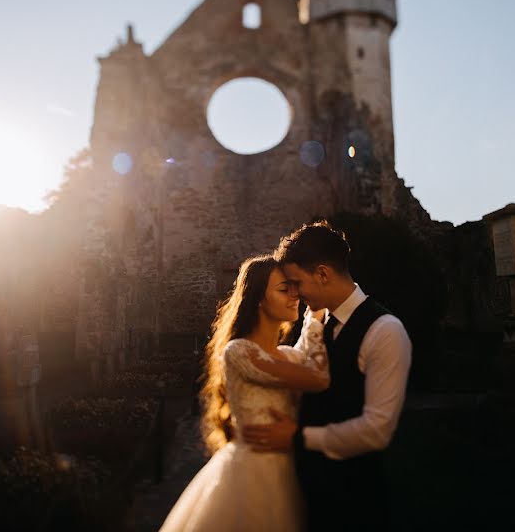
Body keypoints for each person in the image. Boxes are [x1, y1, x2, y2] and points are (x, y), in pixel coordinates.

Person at [242, 221, 412, 532]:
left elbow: (377, 430)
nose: (295, 293)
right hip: (307, 495)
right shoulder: (317, 319)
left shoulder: (385, 331)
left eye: (297, 283)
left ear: (322, 274)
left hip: (353, 502)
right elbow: (301, 367)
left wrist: (298, 436)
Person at [159, 254, 330, 532]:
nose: (295, 295)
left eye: (295, 288)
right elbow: (318, 377)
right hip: (250, 476)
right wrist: (315, 318)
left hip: (290, 473)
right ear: (259, 300)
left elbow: (305, 357)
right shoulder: (239, 351)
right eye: (284, 289)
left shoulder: (287, 356)